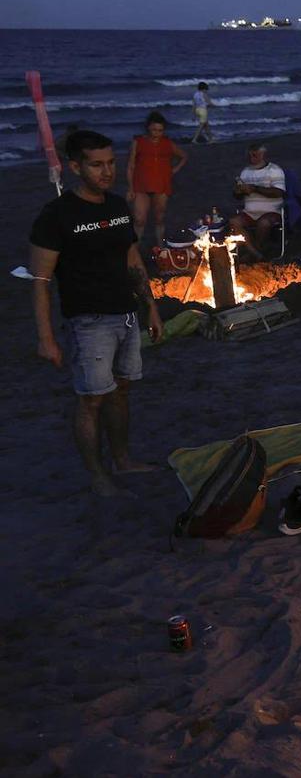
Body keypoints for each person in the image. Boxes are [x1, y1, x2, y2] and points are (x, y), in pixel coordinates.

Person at [28, 130, 163, 498]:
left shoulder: (117, 206)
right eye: (96, 165)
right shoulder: (56, 215)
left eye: (111, 163)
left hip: (127, 314)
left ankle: (122, 460)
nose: (107, 172)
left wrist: (150, 306)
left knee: (121, 392)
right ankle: (98, 474)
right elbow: (40, 280)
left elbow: (132, 259)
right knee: (91, 399)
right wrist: (46, 338)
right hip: (88, 321)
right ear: (75, 167)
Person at [126, 111, 187, 247]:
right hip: (141, 184)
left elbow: (183, 156)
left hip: (162, 184)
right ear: (148, 128)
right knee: (139, 219)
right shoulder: (138, 142)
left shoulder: (167, 143)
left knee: (160, 217)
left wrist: (174, 170)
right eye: (154, 130)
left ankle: (160, 247)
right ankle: (135, 249)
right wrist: (130, 188)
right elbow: (131, 166)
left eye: (160, 130)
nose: (156, 133)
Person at [228, 142, 286, 261]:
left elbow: (278, 193)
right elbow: (237, 197)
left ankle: (255, 250)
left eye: (254, 155)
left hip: (271, 211)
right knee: (233, 222)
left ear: (263, 155)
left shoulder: (274, 170)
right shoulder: (245, 172)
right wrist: (239, 192)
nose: (251, 158)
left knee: (263, 223)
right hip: (250, 212)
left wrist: (255, 189)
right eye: (249, 156)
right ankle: (255, 252)